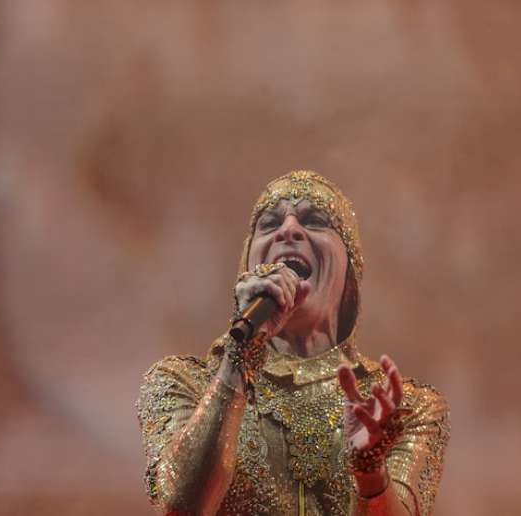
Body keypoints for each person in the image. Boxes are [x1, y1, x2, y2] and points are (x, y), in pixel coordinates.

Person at [136, 171, 450, 515]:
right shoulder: (183, 383)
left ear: (349, 271)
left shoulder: (406, 408)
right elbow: (181, 509)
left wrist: (371, 472)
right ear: (248, 261)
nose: (288, 230)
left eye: (316, 220)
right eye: (269, 223)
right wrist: (238, 358)